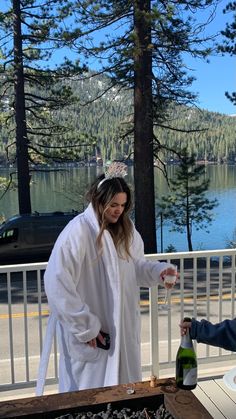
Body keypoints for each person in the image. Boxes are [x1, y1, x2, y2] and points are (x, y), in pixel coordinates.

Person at [36, 162, 177, 395]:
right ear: (99, 201)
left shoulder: (127, 230)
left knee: (123, 395)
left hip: (122, 331)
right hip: (93, 335)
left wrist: (158, 272)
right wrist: (85, 326)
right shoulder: (78, 231)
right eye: (113, 205)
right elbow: (56, 281)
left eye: (122, 205)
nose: (118, 210)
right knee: (88, 398)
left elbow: (136, 266)